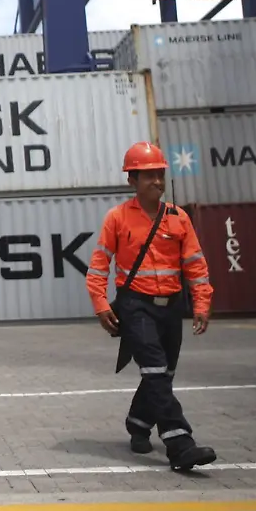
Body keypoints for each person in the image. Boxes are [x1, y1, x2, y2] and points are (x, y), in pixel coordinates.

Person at [84, 141, 218, 471]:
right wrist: (101, 305)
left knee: (163, 374)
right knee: (156, 370)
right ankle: (180, 444)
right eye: (148, 176)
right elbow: (99, 266)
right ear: (132, 180)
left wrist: (201, 303)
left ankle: (138, 423)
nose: (157, 181)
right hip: (136, 306)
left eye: (160, 174)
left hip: (171, 307)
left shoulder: (179, 218)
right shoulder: (117, 218)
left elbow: (196, 265)